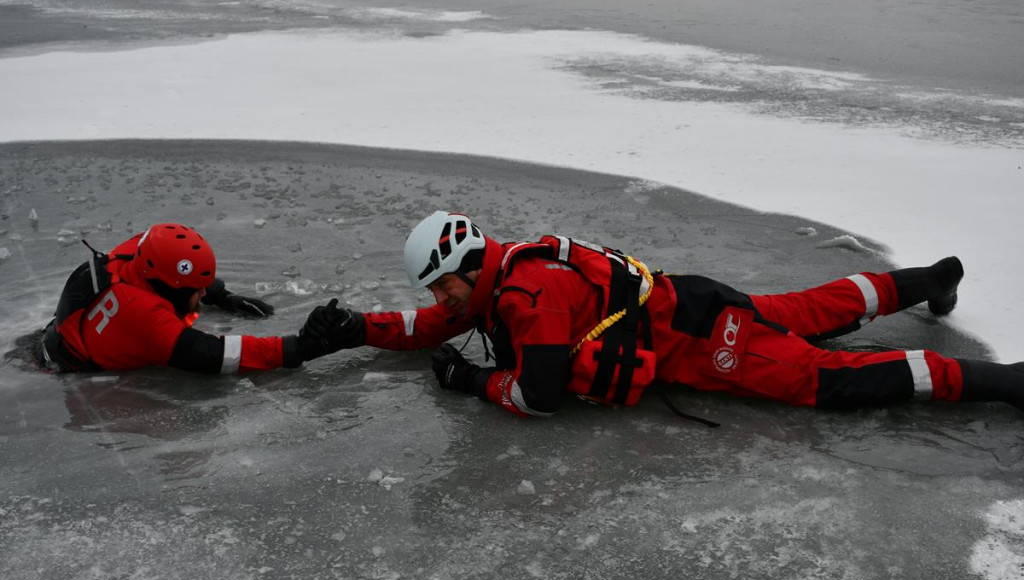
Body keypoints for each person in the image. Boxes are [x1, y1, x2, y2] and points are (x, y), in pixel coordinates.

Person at [305, 210, 1024, 419]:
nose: (439, 305)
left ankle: (1004, 383)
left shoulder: (529, 297)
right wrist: (359, 328)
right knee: (808, 309)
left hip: (707, 341)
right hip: (690, 298)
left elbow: (540, 394)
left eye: (440, 290)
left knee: (828, 379)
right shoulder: (504, 272)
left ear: (464, 268)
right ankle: (930, 279)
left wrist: (469, 384)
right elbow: (434, 329)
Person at [39, 222, 349, 374]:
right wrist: (298, 348)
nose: (203, 293)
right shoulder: (145, 316)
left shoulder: (136, 251)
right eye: (196, 290)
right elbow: (213, 354)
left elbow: (172, 264)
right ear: (169, 288)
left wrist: (223, 296)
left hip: (58, 336)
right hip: (67, 375)